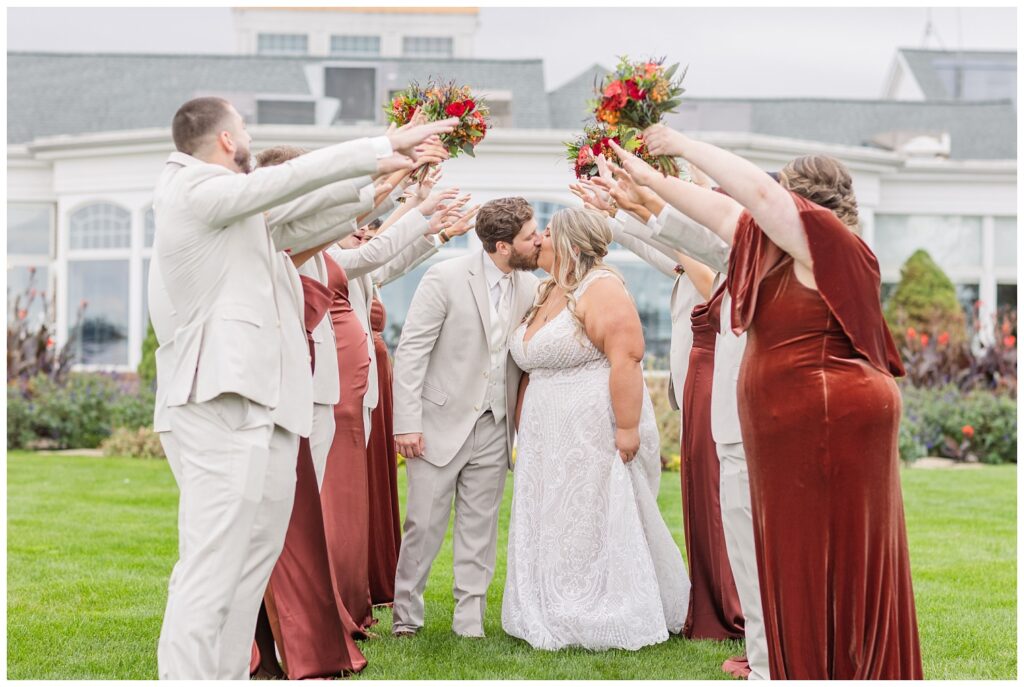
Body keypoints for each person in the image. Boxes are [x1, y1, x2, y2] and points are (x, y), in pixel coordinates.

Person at [151, 94, 456, 679]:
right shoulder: (192, 189)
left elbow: (306, 220)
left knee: (249, 565)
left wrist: (386, 180)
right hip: (219, 402)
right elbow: (286, 183)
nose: (248, 135)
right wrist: (381, 145)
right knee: (212, 566)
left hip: (266, 407)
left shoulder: (236, 214)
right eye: (242, 127)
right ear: (224, 141)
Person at [613, 130, 923, 679]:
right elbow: (717, 212)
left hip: (829, 414)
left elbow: (754, 193)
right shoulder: (770, 247)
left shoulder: (825, 239)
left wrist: (679, 143)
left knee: (820, 550)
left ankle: (827, 664)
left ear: (800, 201)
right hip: (798, 417)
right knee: (786, 550)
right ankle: (790, 661)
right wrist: (648, 178)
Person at [501, 207, 689, 651]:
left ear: (568, 242)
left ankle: (597, 605)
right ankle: (546, 598)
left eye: (546, 233)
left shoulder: (600, 288)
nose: (539, 240)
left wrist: (627, 429)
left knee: (587, 512)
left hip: (590, 427)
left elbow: (627, 355)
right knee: (553, 515)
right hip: (545, 435)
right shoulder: (548, 289)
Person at [390, 197, 541, 638]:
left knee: (480, 527)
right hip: (437, 423)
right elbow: (412, 351)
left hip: (496, 425)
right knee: (423, 525)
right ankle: (406, 618)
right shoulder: (444, 277)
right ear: (501, 246)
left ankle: (469, 622)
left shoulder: (530, 288)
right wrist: (407, 422)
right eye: (530, 237)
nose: (538, 243)